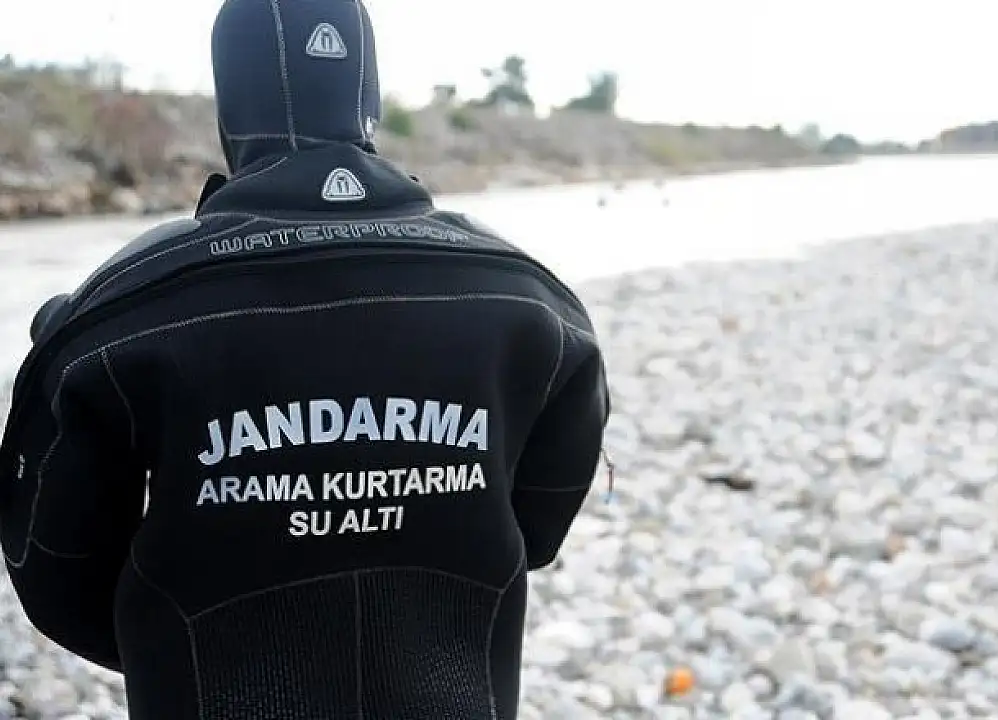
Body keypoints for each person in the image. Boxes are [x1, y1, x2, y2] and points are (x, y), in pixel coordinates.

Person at [0, 0, 609, 717]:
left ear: (232, 102)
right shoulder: (529, 301)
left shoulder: (123, 312)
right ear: (367, 93)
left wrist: (178, 637)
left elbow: (53, 570)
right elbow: (538, 525)